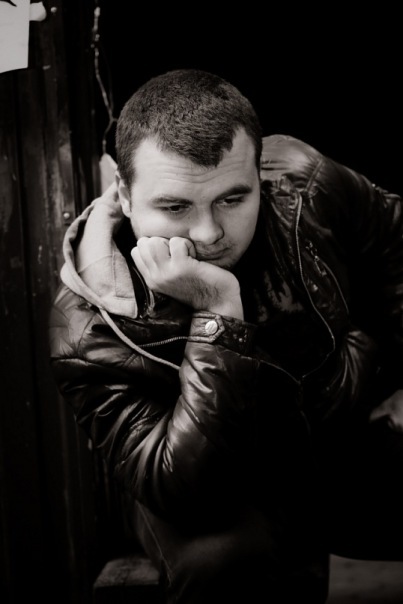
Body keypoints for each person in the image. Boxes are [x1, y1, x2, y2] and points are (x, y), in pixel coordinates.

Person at [49, 68, 403, 603]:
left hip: (339, 438)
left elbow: (392, 240)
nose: (209, 233)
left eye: (233, 199)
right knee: (224, 560)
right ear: (124, 193)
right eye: (175, 207)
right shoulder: (87, 328)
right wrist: (217, 315)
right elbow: (181, 488)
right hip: (221, 497)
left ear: (259, 175)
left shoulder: (301, 182)